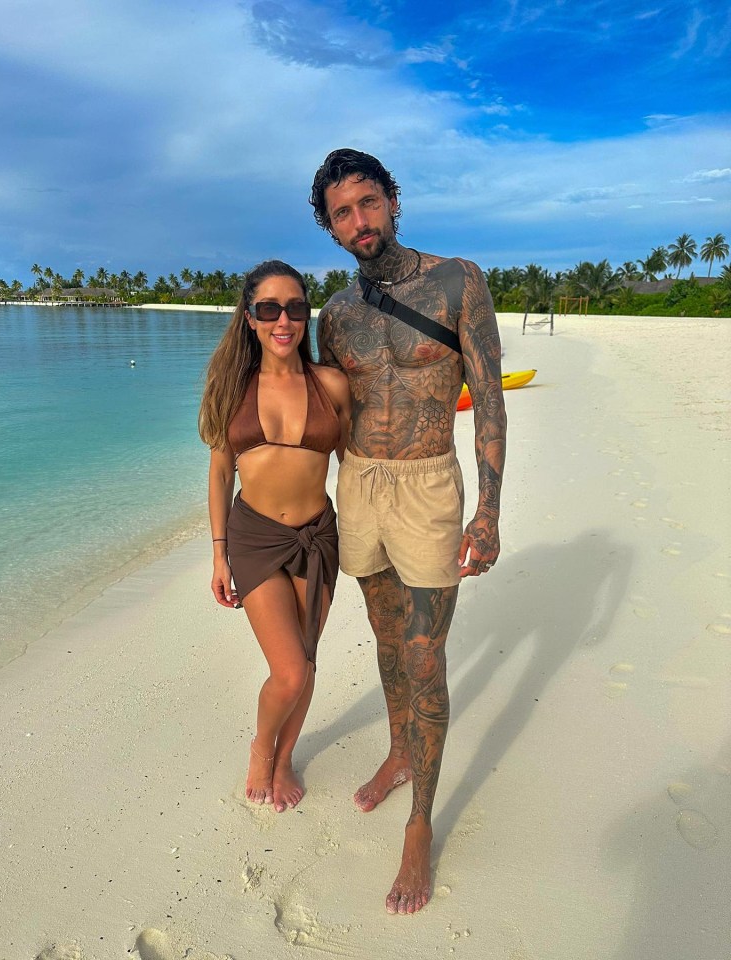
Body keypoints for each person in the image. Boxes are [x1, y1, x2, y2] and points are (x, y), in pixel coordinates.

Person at [309, 149, 507, 914]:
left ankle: (420, 824)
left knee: (426, 657)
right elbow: (325, 414)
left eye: (368, 202)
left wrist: (488, 508)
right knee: (388, 639)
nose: (359, 220)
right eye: (342, 213)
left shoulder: (459, 280)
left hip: (428, 485)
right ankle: (398, 755)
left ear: (394, 200)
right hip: (359, 484)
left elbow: (488, 397)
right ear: (330, 229)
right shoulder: (335, 313)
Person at [199, 260, 350, 813]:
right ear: (251, 318)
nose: (283, 319)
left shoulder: (330, 384)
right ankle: (262, 748)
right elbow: (220, 473)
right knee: (287, 671)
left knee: (305, 662)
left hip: (318, 536)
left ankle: (286, 759)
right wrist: (218, 554)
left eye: (294, 308)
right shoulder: (230, 387)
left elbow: (353, 463)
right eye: (269, 309)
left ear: (305, 315)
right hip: (255, 537)